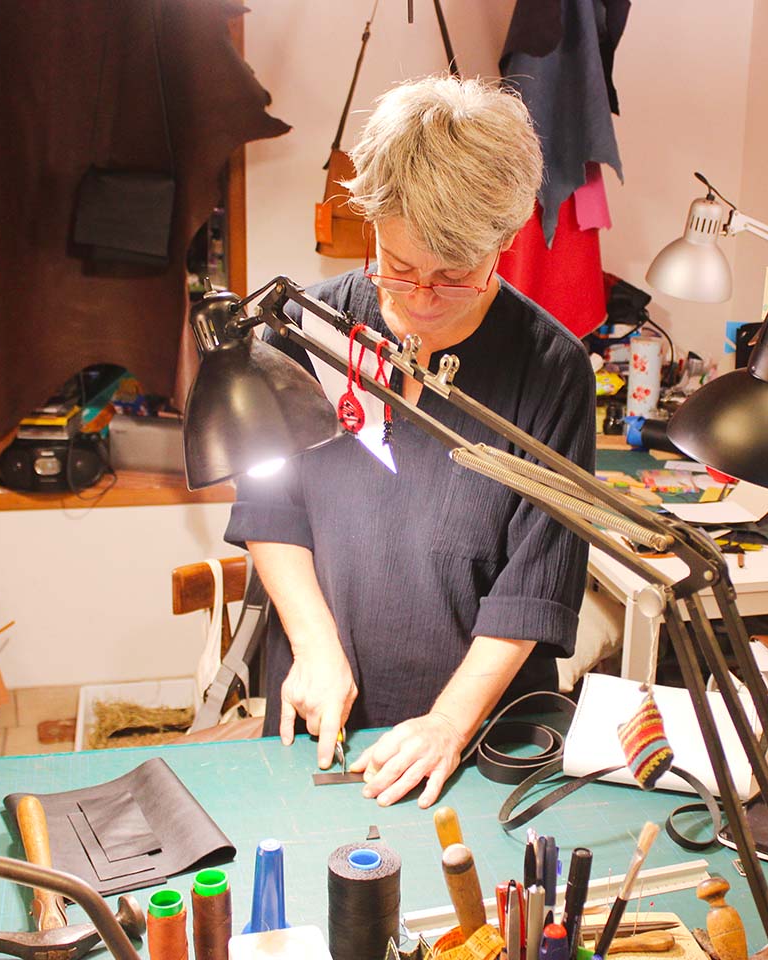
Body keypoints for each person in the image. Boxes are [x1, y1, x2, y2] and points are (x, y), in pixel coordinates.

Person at [224, 75, 595, 808]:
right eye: (397, 268)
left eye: (453, 277)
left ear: (505, 241)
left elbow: (533, 587)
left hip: (479, 731)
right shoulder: (307, 331)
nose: (420, 300)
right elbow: (271, 511)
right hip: (325, 687)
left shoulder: (553, 372)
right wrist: (315, 647)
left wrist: (449, 724)